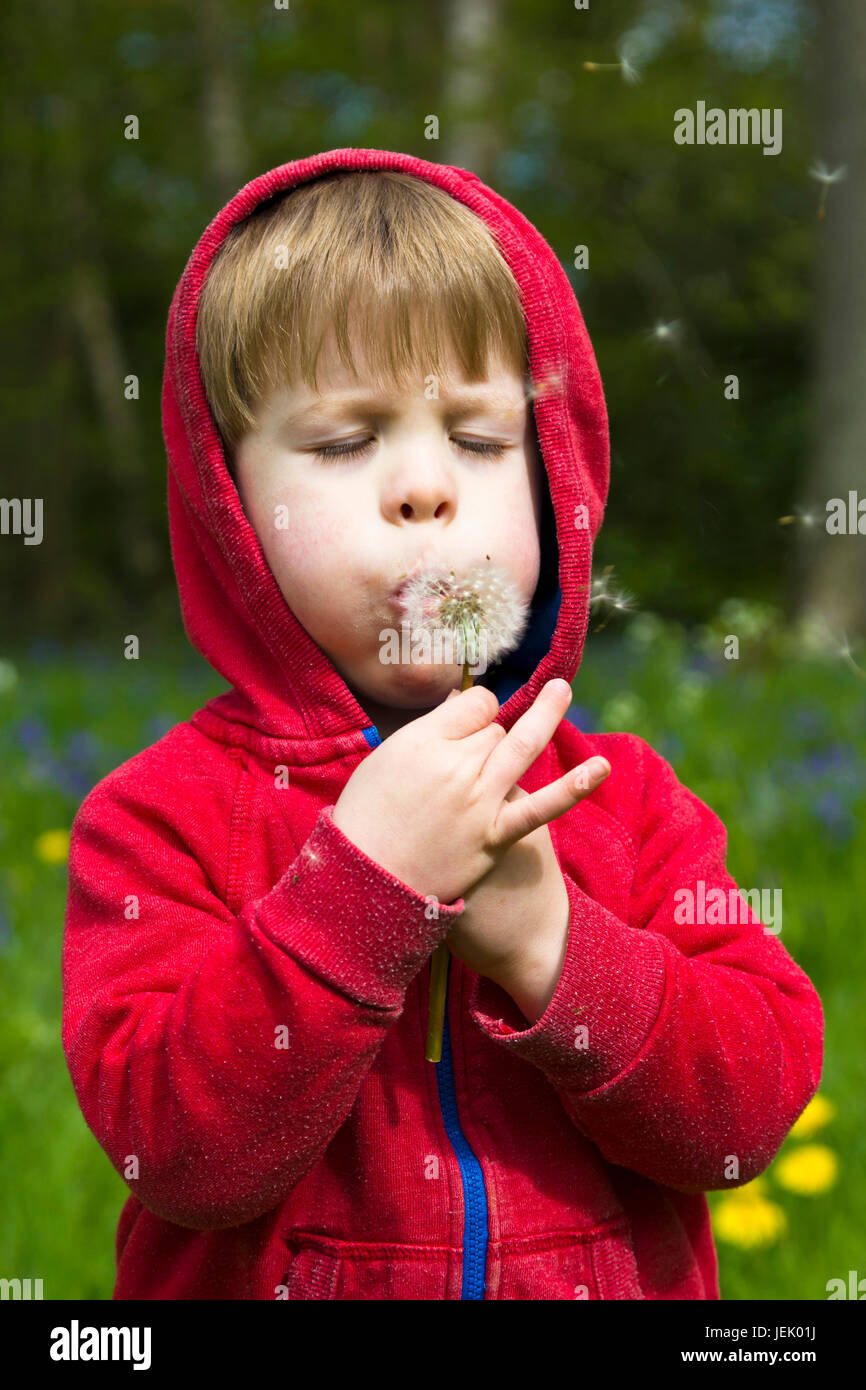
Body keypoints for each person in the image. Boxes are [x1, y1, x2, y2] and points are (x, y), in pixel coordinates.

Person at [61, 149, 823, 1300]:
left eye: (477, 439)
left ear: (553, 479)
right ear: (228, 502)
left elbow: (745, 1113)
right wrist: (359, 891)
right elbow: (175, 1152)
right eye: (341, 440)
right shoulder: (159, 820)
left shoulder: (625, 803)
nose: (425, 490)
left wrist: (550, 944)